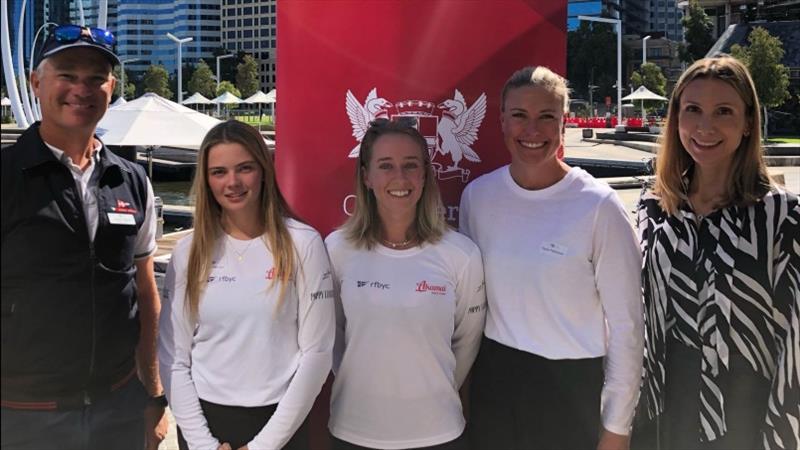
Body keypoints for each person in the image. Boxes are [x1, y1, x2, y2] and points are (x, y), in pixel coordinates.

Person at [459, 66, 644, 450]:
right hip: (495, 380)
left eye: (547, 117)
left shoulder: (600, 207)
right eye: (520, 116)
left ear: (563, 122)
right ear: (502, 122)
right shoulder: (478, 197)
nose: (533, 131)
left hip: (572, 389)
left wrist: (617, 427)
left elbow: (628, 325)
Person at [1, 24, 167, 450]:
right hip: (22, 413)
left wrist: (153, 392)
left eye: (96, 78)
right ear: (36, 83)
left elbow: (144, 292)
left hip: (118, 406)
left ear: (111, 87)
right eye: (68, 74)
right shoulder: (6, 176)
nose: (82, 88)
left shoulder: (130, 180)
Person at [635, 56, 799, 450]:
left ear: (747, 123)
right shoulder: (655, 207)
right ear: (676, 119)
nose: (705, 126)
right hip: (663, 402)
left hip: (746, 407)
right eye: (692, 110)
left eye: (723, 111)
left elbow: (795, 336)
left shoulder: (781, 216)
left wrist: (781, 431)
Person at [158, 120, 335, 450]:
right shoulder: (188, 251)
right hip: (204, 424)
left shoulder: (303, 244)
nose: (233, 182)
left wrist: (263, 446)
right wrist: (201, 444)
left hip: (280, 425)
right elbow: (173, 356)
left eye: (244, 168)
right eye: (219, 172)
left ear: (264, 170)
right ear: (206, 179)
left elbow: (318, 353)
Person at [325, 118, 486, 450]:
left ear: (425, 174)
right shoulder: (336, 250)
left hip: (438, 431)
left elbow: (465, 344)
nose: (399, 178)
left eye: (410, 165)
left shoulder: (461, 255)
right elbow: (330, 338)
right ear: (366, 176)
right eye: (386, 166)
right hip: (353, 430)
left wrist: (429, 391)